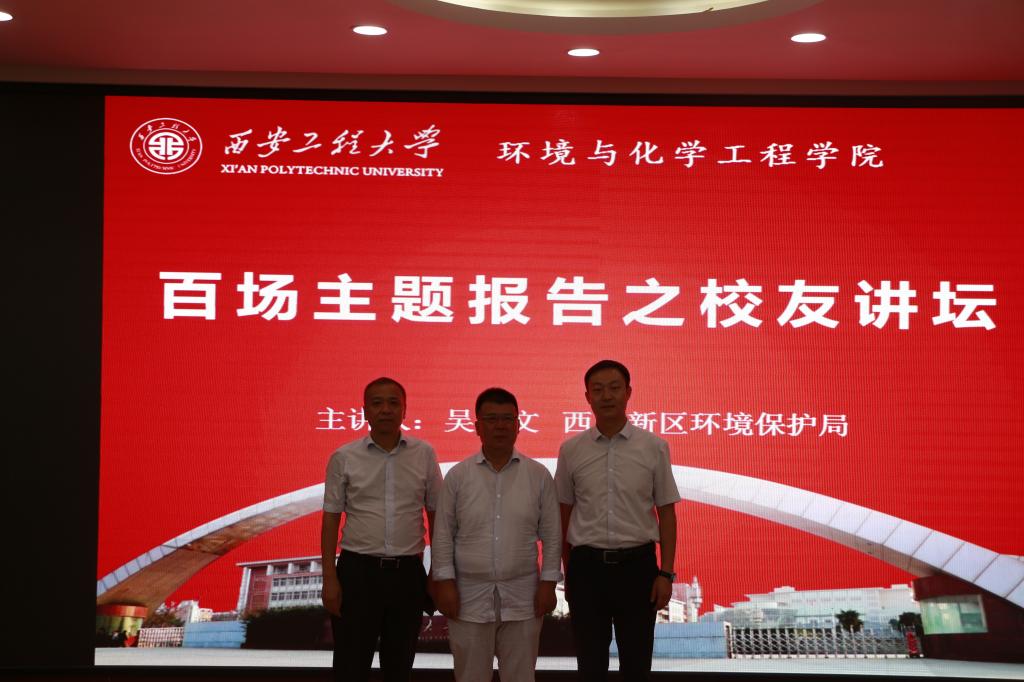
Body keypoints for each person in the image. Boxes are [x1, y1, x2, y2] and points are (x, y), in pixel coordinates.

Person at [555, 360, 682, 681]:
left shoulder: (654, 447)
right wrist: (568, 572)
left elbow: (667, 513)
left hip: (638, 569)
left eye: (614, 388)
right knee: (590, 666)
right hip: (586, 570)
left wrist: (666, 573)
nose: (606, 396)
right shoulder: (571, 450)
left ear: (628, 392)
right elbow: (563, 515)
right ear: (588, 397)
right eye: (598, 390)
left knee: (636, 667)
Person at [432, 387, 562, 682]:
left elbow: (553, 536)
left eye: (507, 419)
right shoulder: (458, 476)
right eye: (491, 419)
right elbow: (442, 536)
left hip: (524, 596)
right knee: (470, 676)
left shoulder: (538, 476)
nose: (500, 426)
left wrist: (548, 584)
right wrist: (445, 583)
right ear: (477, 426)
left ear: (519, 424)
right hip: (467, 596)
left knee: (520, 676)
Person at [321, 377, 443, 682]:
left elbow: (437, 517)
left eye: (393, 403)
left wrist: (436, 573)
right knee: (350, 667)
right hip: (357, 574)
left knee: (399, 667)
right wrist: (329, 578)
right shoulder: (344, 457)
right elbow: (331, 519)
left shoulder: (424, 454)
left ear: (405, 410)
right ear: (365, 411)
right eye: (377, 403)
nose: (385, 409)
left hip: (407, 576)